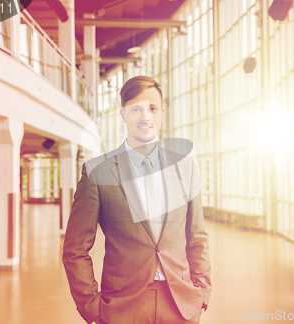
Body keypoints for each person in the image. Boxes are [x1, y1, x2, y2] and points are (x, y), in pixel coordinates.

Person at [62, 76, 211, 324]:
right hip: (122, 307)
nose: (145, 116)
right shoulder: (97, 172)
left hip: (181, 304)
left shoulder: (185, 168)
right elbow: (75, 249)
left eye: (152, 108)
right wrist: (92, 307)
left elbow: (198, 236)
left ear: (162, 113)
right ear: (123, 114)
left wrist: (202, 291)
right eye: (136, 109)